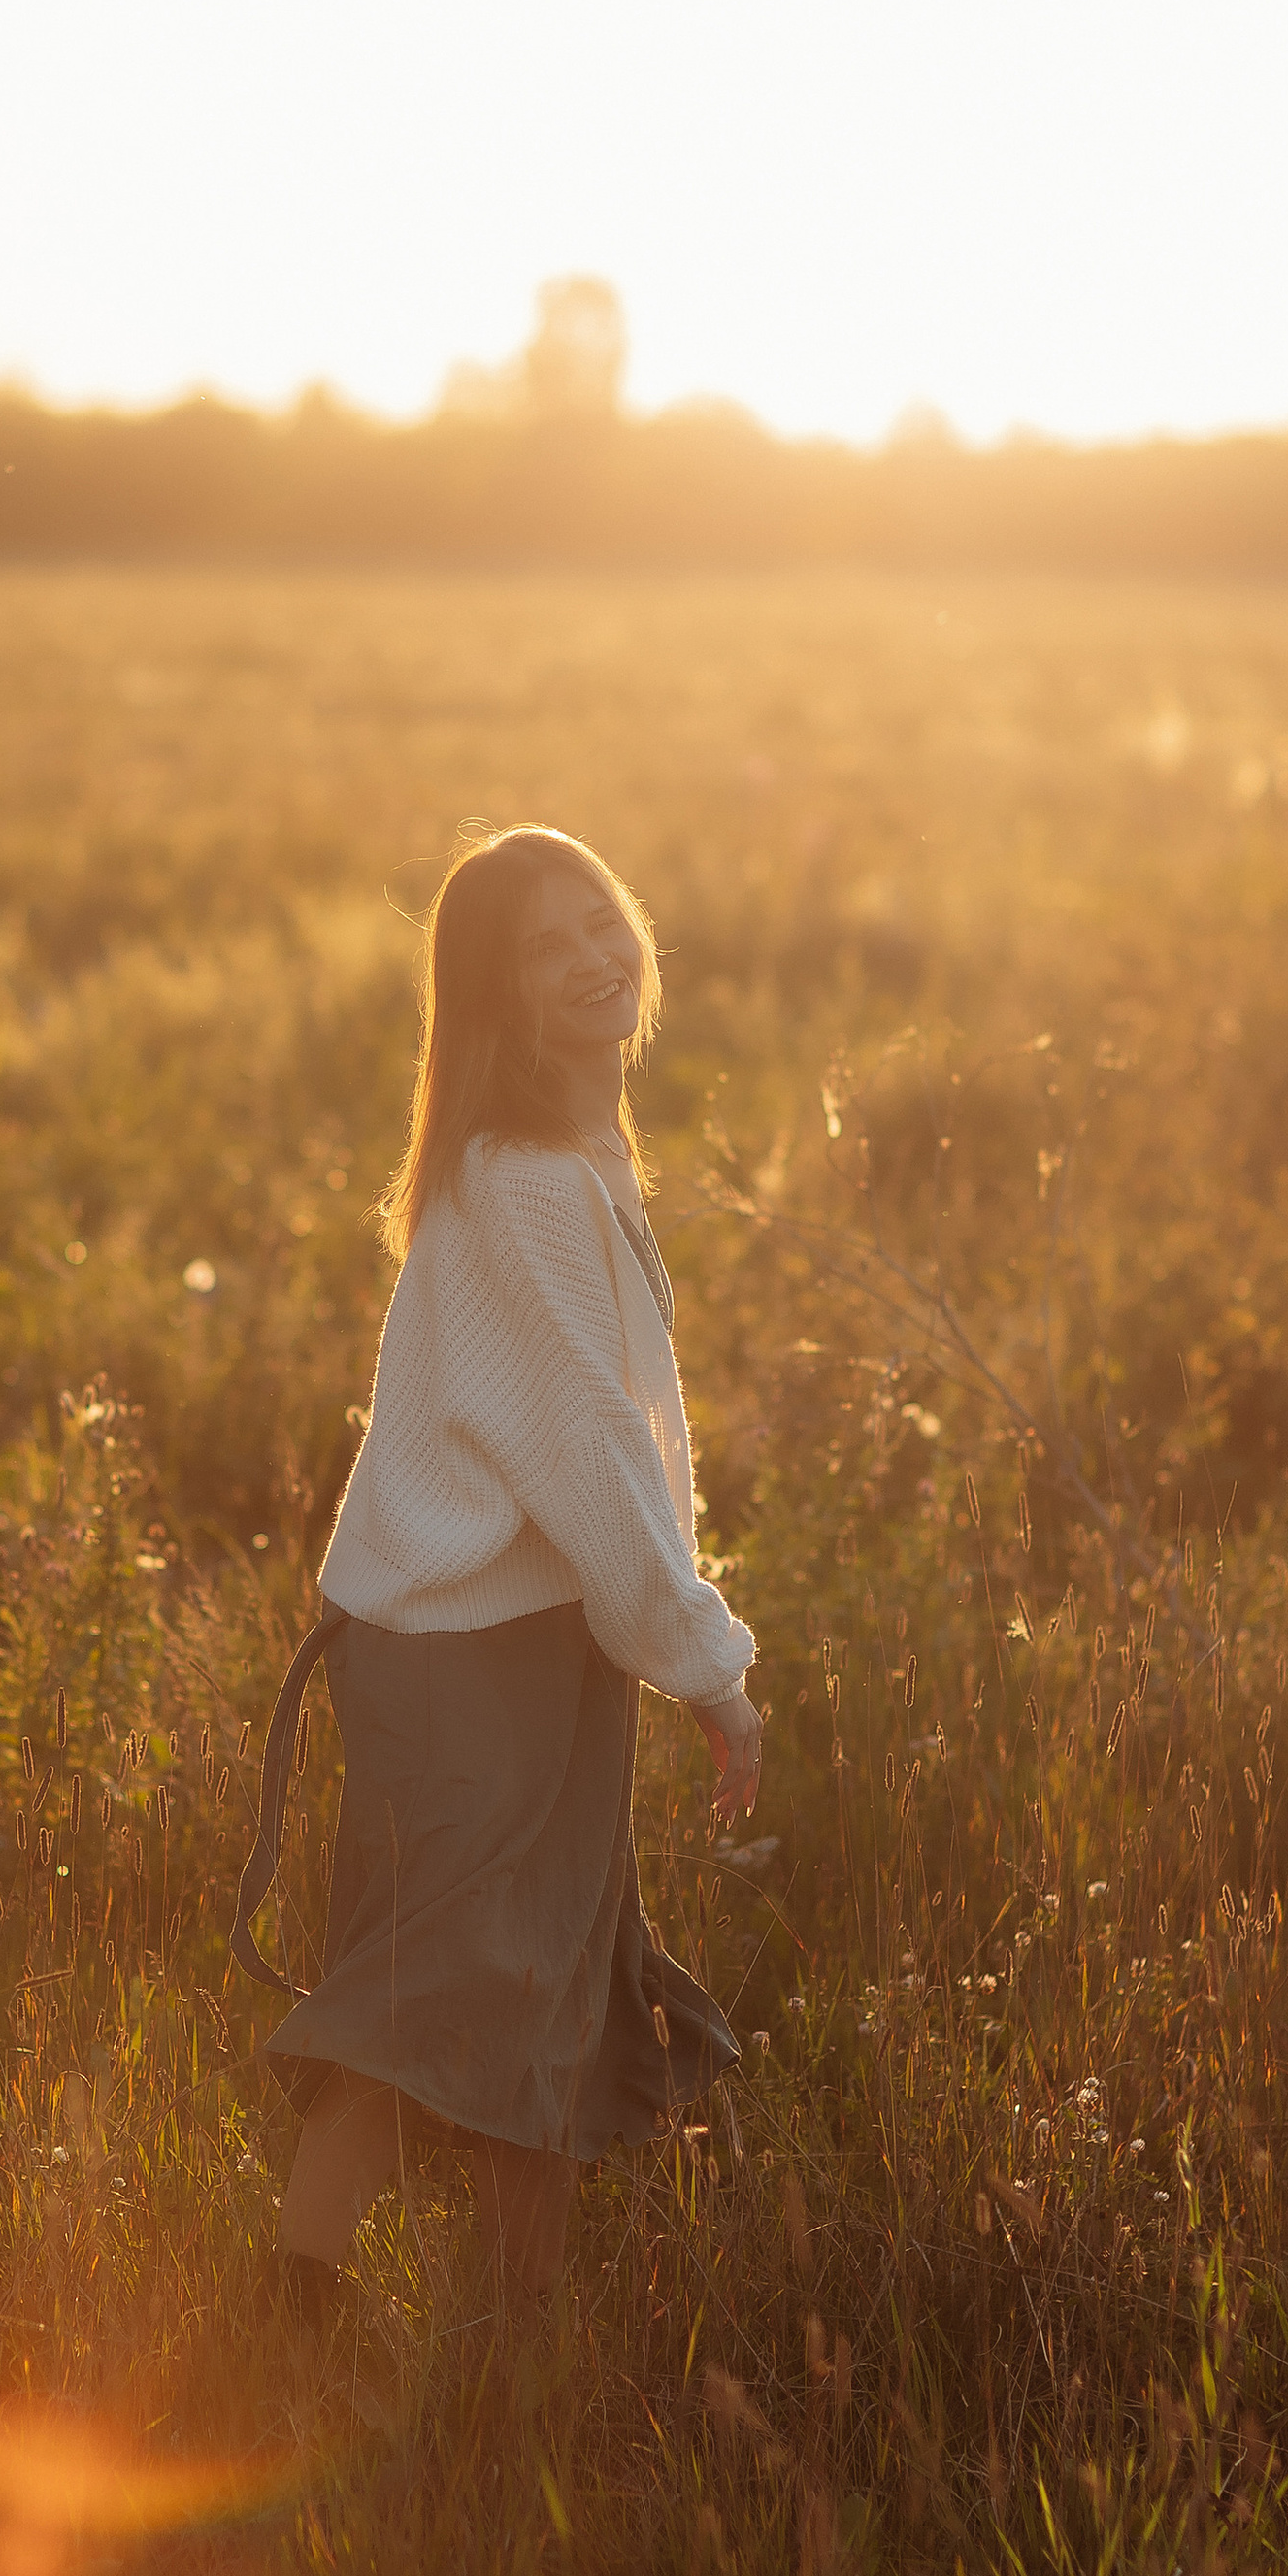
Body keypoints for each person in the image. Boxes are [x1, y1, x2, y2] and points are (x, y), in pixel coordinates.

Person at [237, 822, 763, 2312]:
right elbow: (595, 1454)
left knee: (513, 1980)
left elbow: (607, 1450)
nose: (596, 955)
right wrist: (712, 1667)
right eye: (551, 947)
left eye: (601, 917)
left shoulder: (574, 1150)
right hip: (463, 1658)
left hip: (520, 1643)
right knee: (455, 1990)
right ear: (497, 998)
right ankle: (342, 2324)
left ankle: (432, 2320)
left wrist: (655, 1631)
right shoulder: (527, 1178)